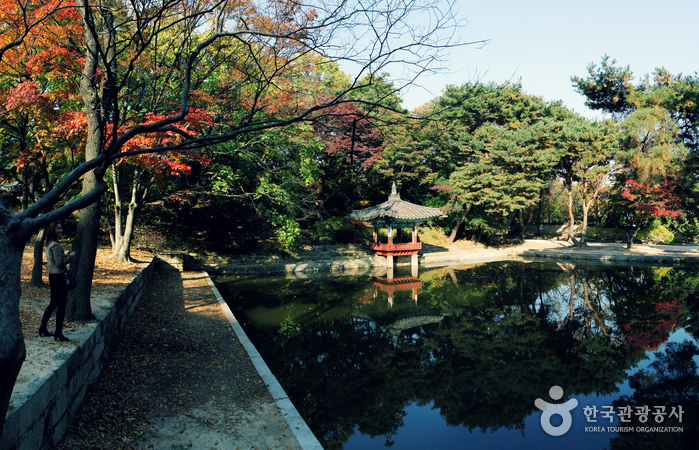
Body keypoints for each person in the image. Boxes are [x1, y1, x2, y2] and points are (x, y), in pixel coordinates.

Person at [39, 222, 76, 342]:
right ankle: (58, 332)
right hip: (59, 277)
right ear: (53, 231)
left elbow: (56, 260)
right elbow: (59, 264)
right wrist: (70, 257)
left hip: (52, 276)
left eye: (61, 227)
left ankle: (43, 327)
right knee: (60, 305)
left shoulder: (48, 244)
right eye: (58, 228)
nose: (61, 230)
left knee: (53, 303)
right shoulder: (55, 245)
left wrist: (65, 255)